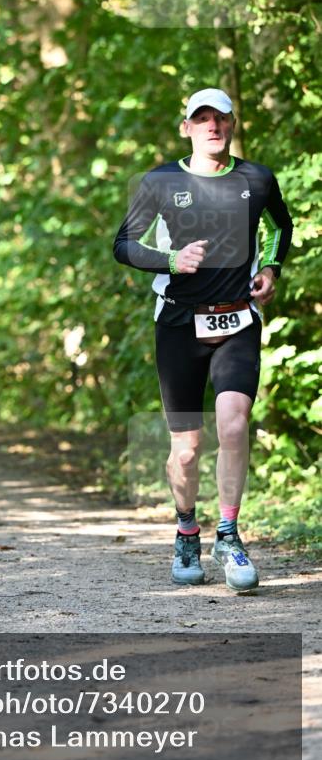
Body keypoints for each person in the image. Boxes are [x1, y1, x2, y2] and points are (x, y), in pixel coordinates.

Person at [113, 88, 293, 591]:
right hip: (177, 325)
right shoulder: (161, 181)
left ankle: (230, 535)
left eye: (221, 118)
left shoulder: (256, 178)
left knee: (234, 426)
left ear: (233, 125)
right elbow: (124, 245)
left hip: (238, 321)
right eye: (202, 118)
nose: (212, 126)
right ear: (185, 127)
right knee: (187, 449)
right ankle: (187, 529)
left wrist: (272, 269)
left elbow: (281, 225)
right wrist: (172, 260)